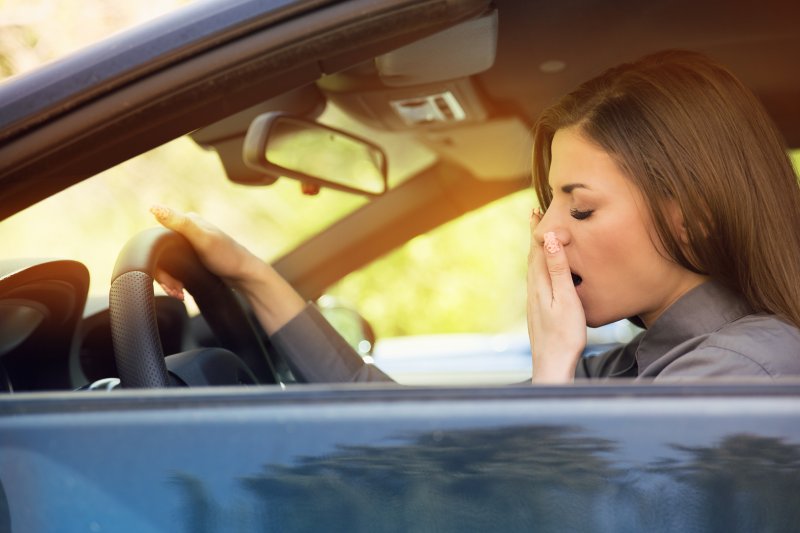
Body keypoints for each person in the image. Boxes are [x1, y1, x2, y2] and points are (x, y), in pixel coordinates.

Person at [153, 50, 800, 384]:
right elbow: (414, 433)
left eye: (581, 206)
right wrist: (250, 276)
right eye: (548, 204)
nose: (547, 230)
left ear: (694, 217)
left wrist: (553, 371)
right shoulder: (632, 364)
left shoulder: (746, 368)